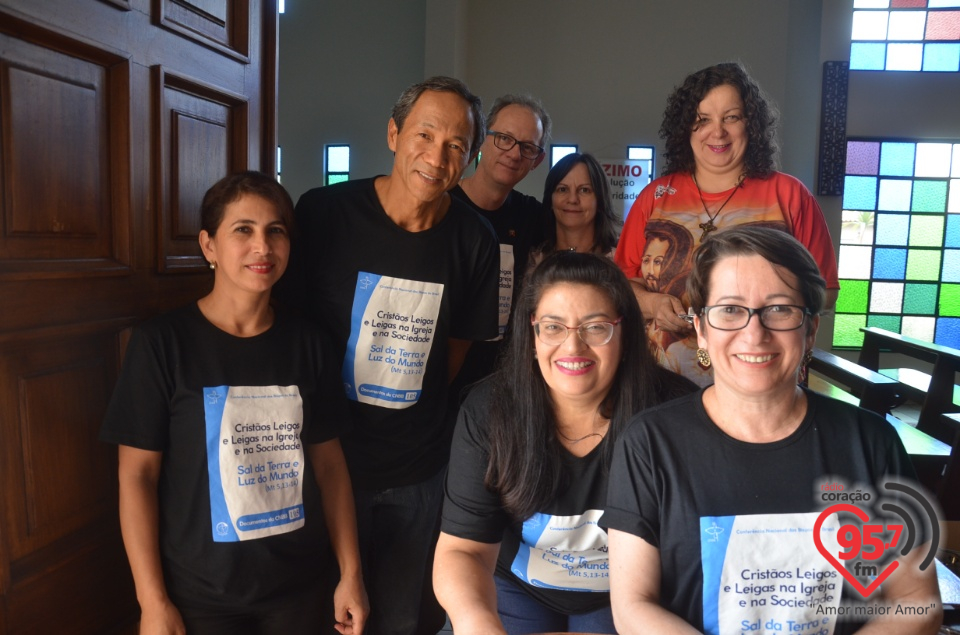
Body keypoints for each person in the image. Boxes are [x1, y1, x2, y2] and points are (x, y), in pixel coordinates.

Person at [604, 226, 941, 635]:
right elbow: (632, 605)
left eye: (779, 309)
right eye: (730, 309)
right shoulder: (649, 444)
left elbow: (915, 600)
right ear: (701, 330)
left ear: (810, 329)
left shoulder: (871, 443)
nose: (754, 333)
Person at [278, 76, 500, 635]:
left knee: (399, 618)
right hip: (326, 461)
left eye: (456, 145)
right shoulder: (326, 213)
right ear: (394, 133)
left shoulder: (474, 240)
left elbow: (452, 357)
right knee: (321, 614)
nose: (437, 156)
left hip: (417, 468)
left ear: (470, 158)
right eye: (425, 135)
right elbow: (290, 333)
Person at [100, 172, 367, 635]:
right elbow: (137, 477)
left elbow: (330, 468)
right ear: (209, 246)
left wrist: (351, 575)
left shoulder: (310, 345)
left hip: (300, 591)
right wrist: (152, 601)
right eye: (243, 229)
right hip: (200, 597)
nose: (262, 247)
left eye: (275, 231)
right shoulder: (162, 344)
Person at [434, 251, 696, 635]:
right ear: (533, 334)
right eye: (554, 327)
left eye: (595, 327)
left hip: (627, 593)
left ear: (625, 333)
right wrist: (478, 623)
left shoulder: (673, 413)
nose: (573, 348)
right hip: (516, 587)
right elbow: (462, 551)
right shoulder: (490, 410)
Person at [615, 62, 840, 386]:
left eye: (731, 117)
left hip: (762, 380)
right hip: (661, 385)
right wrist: (652, 304)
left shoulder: (789, 195)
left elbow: (826, 292)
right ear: (685, 128)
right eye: (702, 119)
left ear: (751, 124)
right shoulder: (655, 196)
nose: (717, 131)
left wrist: (759, 310)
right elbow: (620, 282)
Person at [449, 94, 551, 399]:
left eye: (527, 147)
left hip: (500, 380)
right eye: (503, 138)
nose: (514, 153)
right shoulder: (442, 205)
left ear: (537, 160)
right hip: (438, 373)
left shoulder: (532, 216)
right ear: (481, 138)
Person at [530, 152, 620, 271]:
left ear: (600, 200)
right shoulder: (533, 262)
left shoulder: (621, 262)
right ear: (550, 200)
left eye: (584, 190)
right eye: (562, 189)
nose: (572, 199)